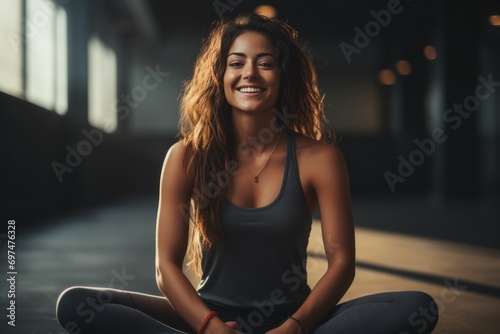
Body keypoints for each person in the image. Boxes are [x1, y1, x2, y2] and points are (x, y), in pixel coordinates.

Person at [56, 13, 439, 334]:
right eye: (236, 62)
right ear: (220, 76)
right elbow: (166, 267)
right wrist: (209, 326)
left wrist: (295, 326)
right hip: (208, 318)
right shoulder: (186, 157)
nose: (249, 73)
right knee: (78, 303)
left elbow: (342, 264)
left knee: (417, 307)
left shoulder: (320, 158)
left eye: (265, 63)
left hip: (294, 319)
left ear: (282, 76)